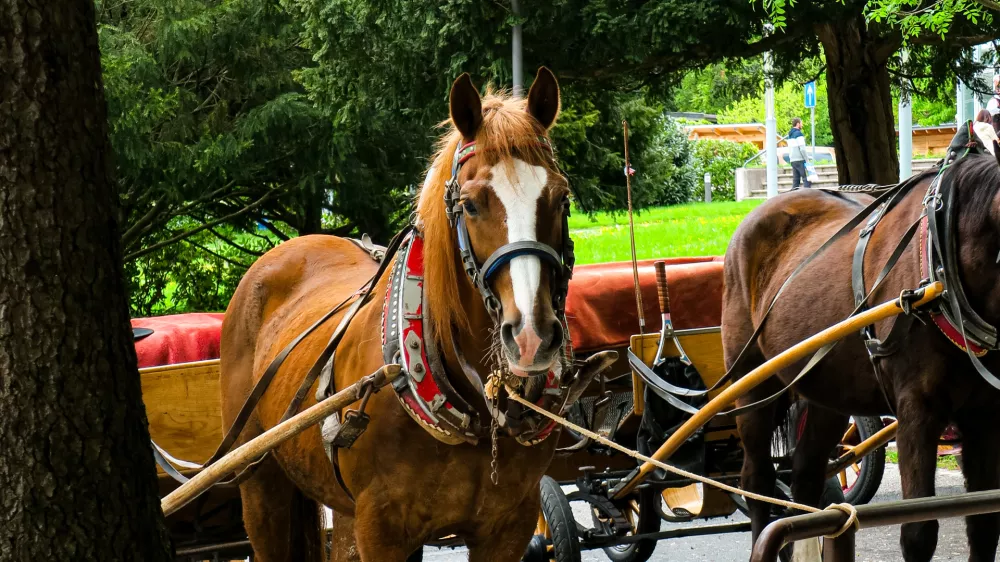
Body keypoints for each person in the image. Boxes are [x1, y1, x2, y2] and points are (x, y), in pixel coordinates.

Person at [787, 117, 811, 188]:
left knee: (796, 181)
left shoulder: (790, 135)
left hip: (793, 160)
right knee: (806, 179)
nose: (802, 125)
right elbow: (802, 149)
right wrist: (807, 160)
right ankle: (807, 196)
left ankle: (793, 197)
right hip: (800, 160)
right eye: (801, 123)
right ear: (798, 124)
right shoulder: (799, 134)